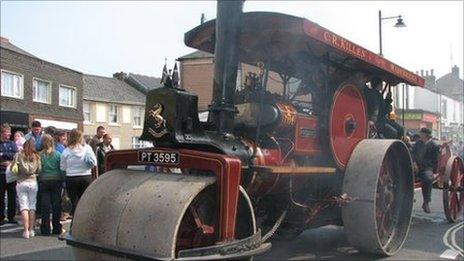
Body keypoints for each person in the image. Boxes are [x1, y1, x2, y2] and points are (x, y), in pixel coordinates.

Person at [60, 129, 96, 216]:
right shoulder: (87, 148)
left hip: (72, 178)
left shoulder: (66, 151)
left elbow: (63, 167)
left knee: (74, 203)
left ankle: (75, 224)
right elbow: (94, 163)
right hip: (86, 177)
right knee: (85, 202)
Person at [14, 139, 41, 238]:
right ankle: (31, 229)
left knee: (24, 206)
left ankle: (25, 231)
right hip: (33, 182)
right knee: (32, 206)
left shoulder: (19, 155)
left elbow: (15, 168)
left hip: (21, 181)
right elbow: (40, 169)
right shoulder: (37, 156)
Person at [38, 134, 65, 235]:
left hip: (44, 181)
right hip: (56, 180)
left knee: (45, 205)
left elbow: (39, 170)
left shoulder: (40, 155)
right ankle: (56, 227)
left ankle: (45, 229)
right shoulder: (58, 154)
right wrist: (63, 179)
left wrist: (40, 178)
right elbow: (62, 169)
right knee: (56, 205)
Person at [412, 127, 440, 213]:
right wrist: (414, 163)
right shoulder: (417, 144)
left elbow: (435, 161)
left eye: (422, 133)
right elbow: (412, 154)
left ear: (426, 135)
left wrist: (434, 173)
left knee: (428, 179)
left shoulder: (434, 146)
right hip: (415, 167)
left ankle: (426, 202)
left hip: (427, 168)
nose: (420, 134)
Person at [0, 124, 18, 226]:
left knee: (12, 196)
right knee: (1, 196)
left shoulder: (12, 144)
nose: (9, 134)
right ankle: (1, 217)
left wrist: (2, 155)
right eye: (7, 132)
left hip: (11, 173)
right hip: (1, 173)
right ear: (2, 133)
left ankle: (11, 216)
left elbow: (15, 155)